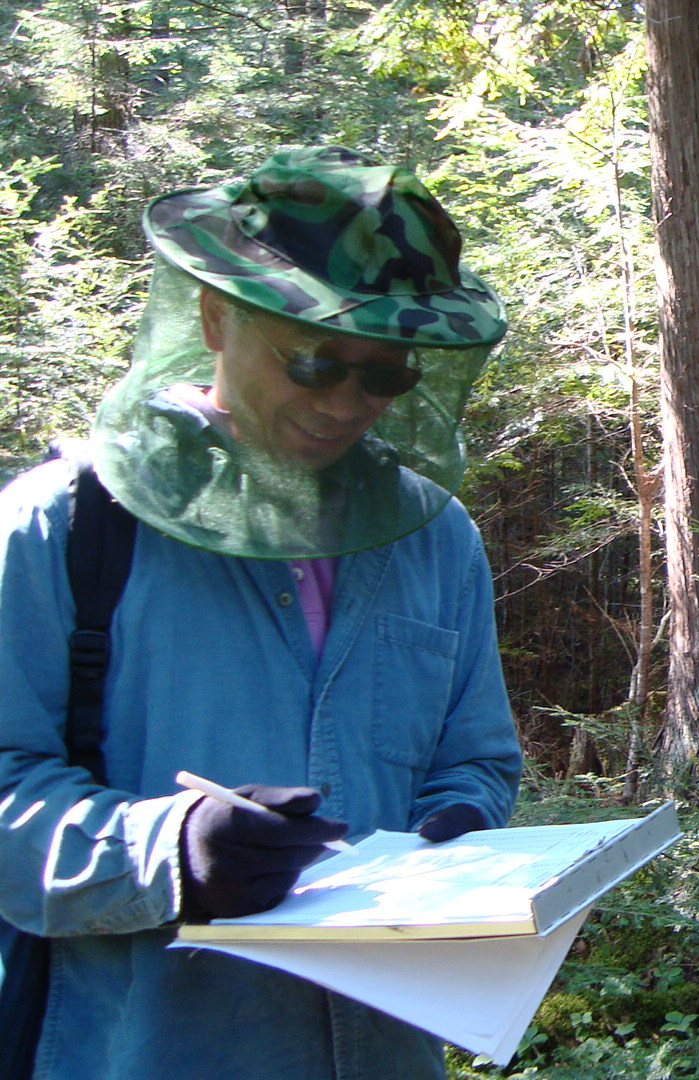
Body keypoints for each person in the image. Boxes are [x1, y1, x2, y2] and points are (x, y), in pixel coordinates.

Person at [0, 146, 522, 1078]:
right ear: (213, 314)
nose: (346, 404)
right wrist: (164, 851)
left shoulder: (435, 540)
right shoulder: (60, 529)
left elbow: (475, 758)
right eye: (315, 360)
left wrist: (458, 843)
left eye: (386, 375)